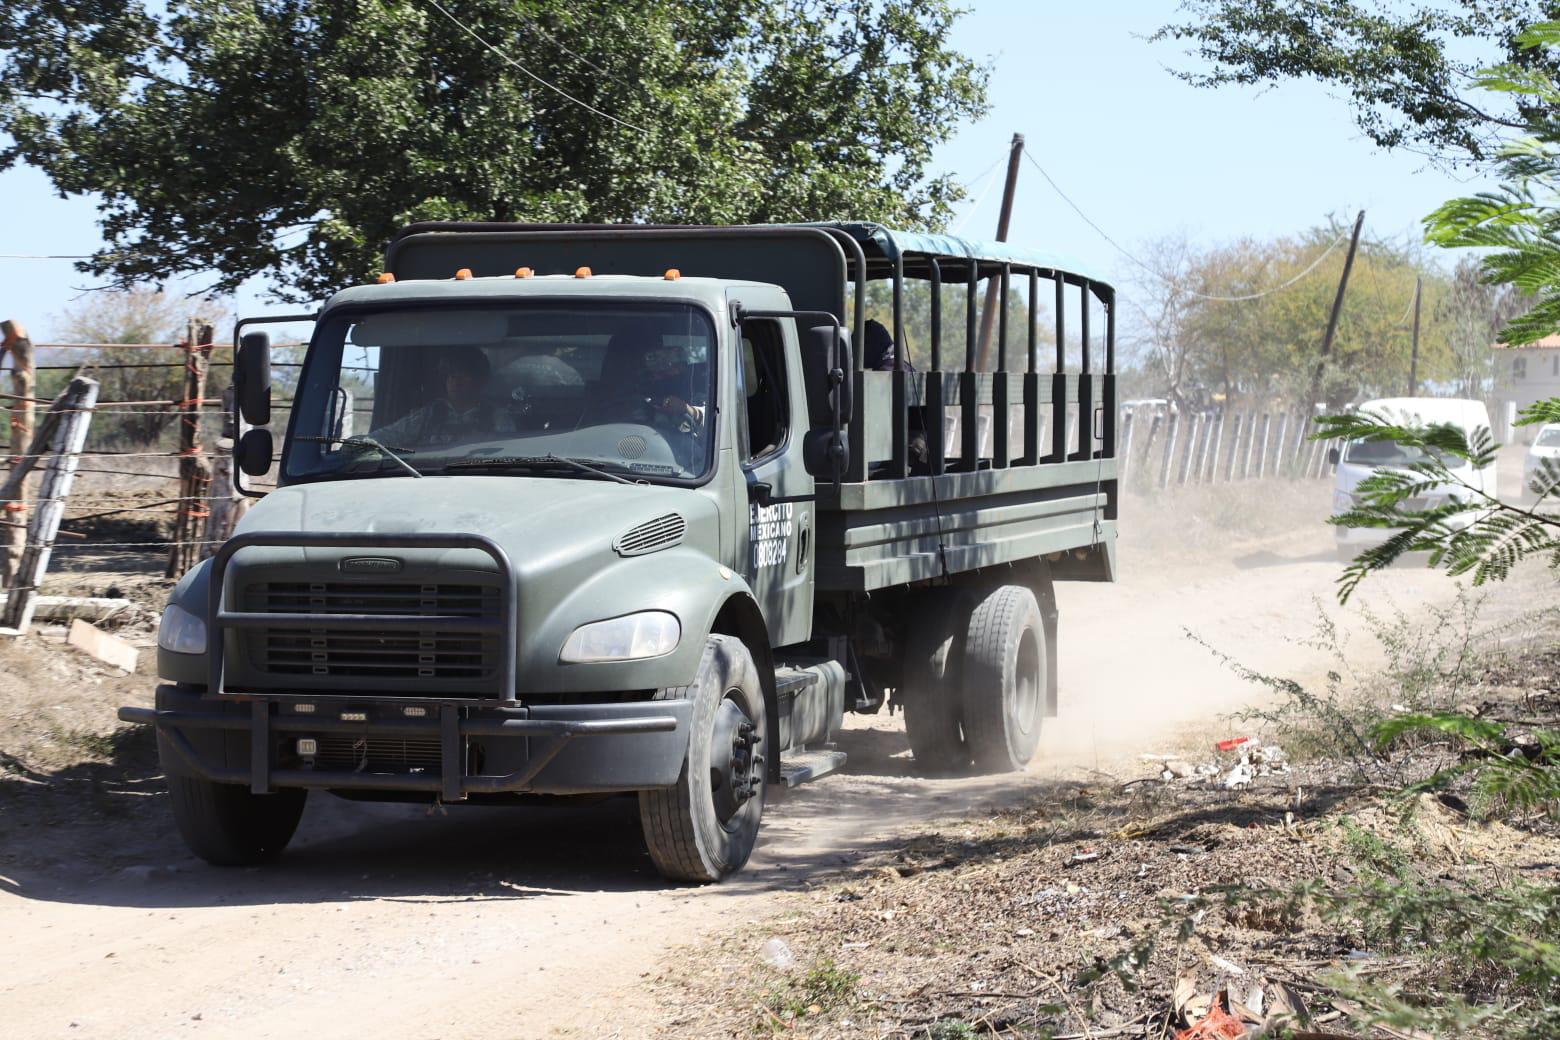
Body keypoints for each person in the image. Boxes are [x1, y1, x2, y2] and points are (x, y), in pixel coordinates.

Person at [371, 345, 514, 446]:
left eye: (463, 376)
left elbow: (508, 450)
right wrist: (357, 445)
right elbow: (383, 438)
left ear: (480, 380)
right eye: (451, 375)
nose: (455, 382)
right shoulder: (427, 416)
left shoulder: (497, 417)